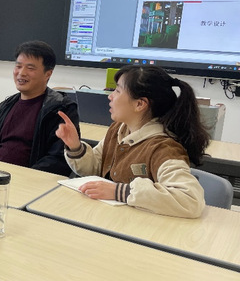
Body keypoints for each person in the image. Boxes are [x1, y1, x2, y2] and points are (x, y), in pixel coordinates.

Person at [56, 65, 209, 218]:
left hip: (141, 225)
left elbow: (190, 200)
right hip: (110, 217)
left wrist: (119, 192)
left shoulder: (163, 148)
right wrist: (75, 146)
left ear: (139, 104)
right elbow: (95, 168)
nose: (110, 96)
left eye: (117, 91)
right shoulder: (119, 129)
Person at [0, 40, 80, 176]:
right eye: (18, 66)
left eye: (30, 68)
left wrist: (25, 176)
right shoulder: (5, 106)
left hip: (32, 180)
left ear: (48, 74)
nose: (21, 73)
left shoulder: (61, 109)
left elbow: (58, 160)